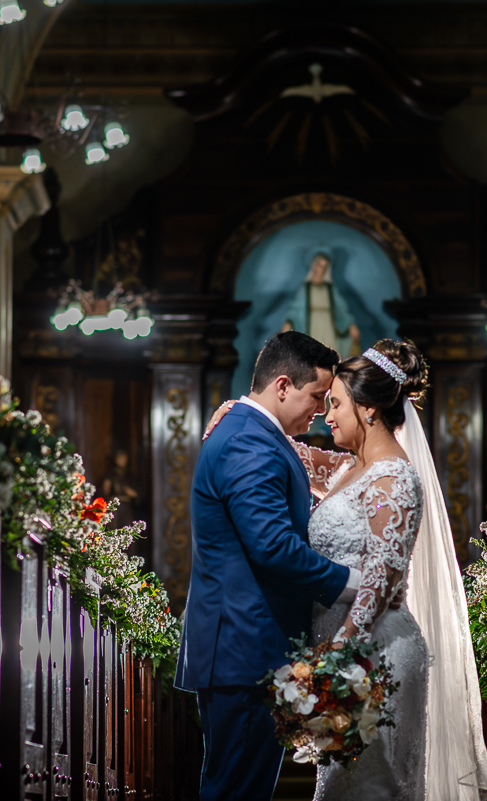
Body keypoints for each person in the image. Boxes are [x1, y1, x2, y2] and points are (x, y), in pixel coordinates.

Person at [205, 339, 487, 801]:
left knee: (374, 785)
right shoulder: (348, 470)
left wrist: (334, 658)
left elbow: (381, 581)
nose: (326, 415)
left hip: (372, 653)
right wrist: (237, 411)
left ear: (369, 409)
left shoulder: (395, 479)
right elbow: (287, 450)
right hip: (342, 654)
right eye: (324, 401)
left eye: (334, 403)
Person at [176, 331, 363, 801]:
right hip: (244, 649)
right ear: (283, 386)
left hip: (248, 648)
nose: (320, 412)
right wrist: (352, 584)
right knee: (236, 791)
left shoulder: (253, 433)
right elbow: (273, 546)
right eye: (317, 397)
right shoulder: (248, 442)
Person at [281, 251, 361, 357]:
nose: (322, 269)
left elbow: (341, 308)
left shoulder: (330, 288)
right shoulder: (306, 289)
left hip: (328, 325)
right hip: (312, 325)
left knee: (330, 351)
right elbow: (296, 308)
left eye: (325, 266)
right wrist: (289, 322)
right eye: (320, 265)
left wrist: (351, 325)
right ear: (314, 265)